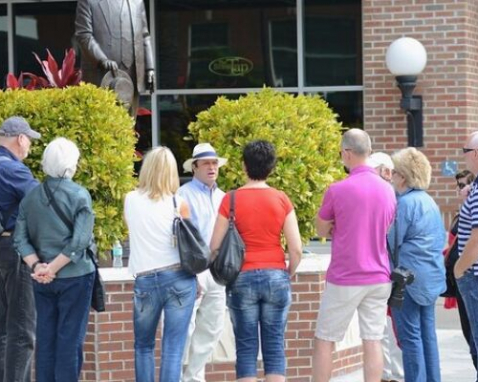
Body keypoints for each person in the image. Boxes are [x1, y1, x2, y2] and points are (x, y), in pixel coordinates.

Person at [210, 140, 302, 382]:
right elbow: (297, 248)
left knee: (246, 348)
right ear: (271, 168)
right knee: (274, 347)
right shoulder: (282, 199)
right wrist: (288, 272)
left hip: (242, 277)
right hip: (276, 275)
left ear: (244, 166)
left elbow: (214, 246)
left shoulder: (229, 200)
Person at [313, 129, 396, 382]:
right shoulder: (388, 190)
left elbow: (320, 228)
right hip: (380, 276)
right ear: (368, 153)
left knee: (325, 339)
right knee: (372, 340)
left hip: (345, 277)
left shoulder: (337, 189)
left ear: (347, 153)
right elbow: (387, 227)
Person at [13, 137, 96, 382]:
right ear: (72, 163)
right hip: (76, 276)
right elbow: (79, 242)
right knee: (70, 340)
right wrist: (53, 267)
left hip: (42, 279)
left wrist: (39, 266)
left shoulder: (30, 197)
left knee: (45, 339)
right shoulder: (80, 195)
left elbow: (20, 238)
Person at [124, 147, 197, 382]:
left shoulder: (130, 199)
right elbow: (190, 244)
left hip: (145, 279)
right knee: (173, 349)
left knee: (143, 346)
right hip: (178, 277)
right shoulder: (179, 202)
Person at [389, 147, 446, 382]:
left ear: (402, 176)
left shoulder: (405, 204)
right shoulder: (429, 201)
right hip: (430, 278)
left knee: (410, 336)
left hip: (407, 280)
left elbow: (391, 242)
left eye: (393, 172)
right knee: (427, 335)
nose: (391, 176)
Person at [179, 143, 227, 382]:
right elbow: (183, 238)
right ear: (194, 167)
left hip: (217, 272)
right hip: (193, 272)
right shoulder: (183, 195)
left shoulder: (223, 197)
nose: (211, 167)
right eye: (206, 163)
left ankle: (193, 378)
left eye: (214, 163)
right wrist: (193, 273)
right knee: (184, 329)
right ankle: (175, 376)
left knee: (211, 328)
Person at [0, 116, 40, 382]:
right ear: (21, 138)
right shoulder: (14, 170)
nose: (29, 148)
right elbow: (41, 204)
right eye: (29, 141)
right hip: (14, 251)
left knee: (4, 330)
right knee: (22, 330)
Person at [75, 0, 155, 115]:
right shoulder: (89, 2)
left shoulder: (137, 2)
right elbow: (83, 35)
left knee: (129, 123)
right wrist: (101, 59)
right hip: (102, 74)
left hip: (132, 72)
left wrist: (150, 68)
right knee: (103, 123)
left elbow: (144, 35)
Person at [366, 152, 404, 382]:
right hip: (382, 271)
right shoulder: (385, 196)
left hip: (389, 272)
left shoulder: (392, 198)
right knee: (382, 330)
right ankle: (388, 374)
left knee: (390, 330)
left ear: (387, 172)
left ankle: (394, 375)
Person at [443, 170, 476, 369]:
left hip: (470, 276)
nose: (460, 189)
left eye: (464, 184)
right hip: (462, 279)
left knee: (474, 333)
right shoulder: (462, 212)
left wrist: (459, 269)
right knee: (468, 331)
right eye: (458, 185)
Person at [454, 132, 478, 382]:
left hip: (473, 275)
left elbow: (477, 240)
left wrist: (459, 269)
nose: (464, 157)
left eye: (465, 151)